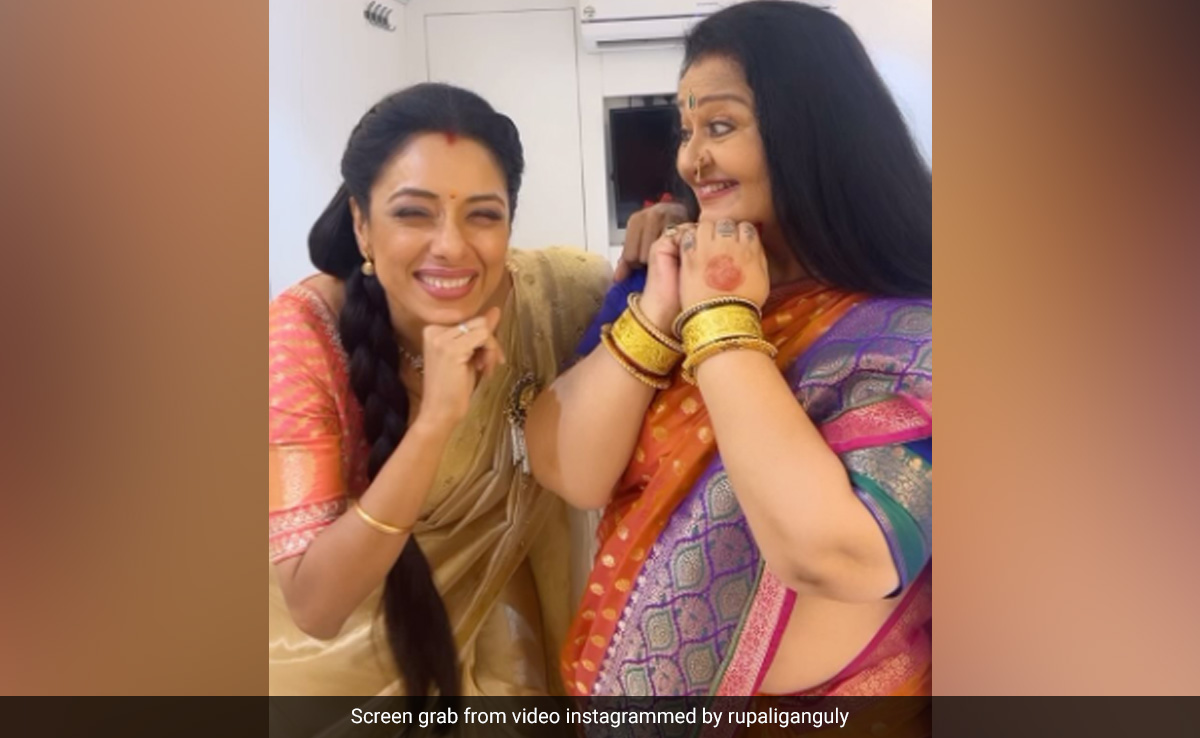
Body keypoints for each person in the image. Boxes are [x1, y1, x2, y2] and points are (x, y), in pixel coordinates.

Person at [527, 0, 932, 702]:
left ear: (810, 132)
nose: (691, 159)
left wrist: (719, 320)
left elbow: (841, 556)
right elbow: (571, 473)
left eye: (719, 127)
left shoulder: (913, 333)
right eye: (685, 132)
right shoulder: (661, 284)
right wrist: (661, 310)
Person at [268, 83, 611, 697]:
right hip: (339, 667)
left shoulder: (562, 294)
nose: (451, 245)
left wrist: (664, 239)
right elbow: (315, 608)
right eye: (412, 213)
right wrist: (434, 424)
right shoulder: (300, 340)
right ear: (361, 224)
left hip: (505, 632)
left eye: (483, 214)